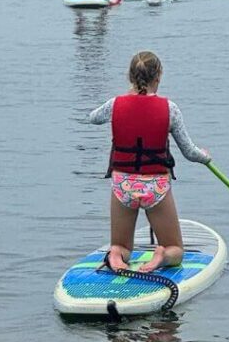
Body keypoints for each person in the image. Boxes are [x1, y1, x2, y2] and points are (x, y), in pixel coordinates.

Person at [88, 50, 211, 274]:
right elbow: (189, 152)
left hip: (122, 185)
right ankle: (162, 254)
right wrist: (205, 157)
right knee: (176, 250)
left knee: (123, 245)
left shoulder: (115, 104)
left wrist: (123, 101)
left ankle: (116, 254)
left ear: (130, 76)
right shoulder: (170, 109)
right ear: (159, 76)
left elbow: (93, 117)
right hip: (156, 187)